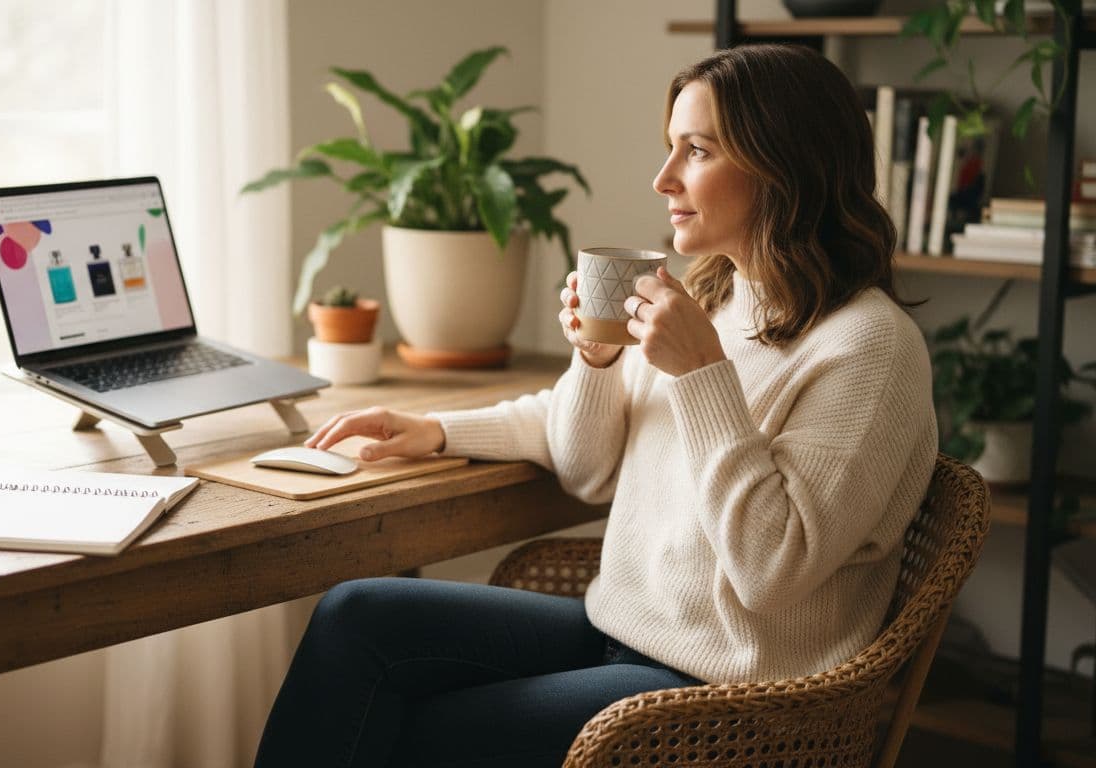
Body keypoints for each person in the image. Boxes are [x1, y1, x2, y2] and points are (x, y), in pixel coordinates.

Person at [253, 43, 937, 768]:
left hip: (733, 691)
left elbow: (770, 571)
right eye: (669, 148)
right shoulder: (716, 297)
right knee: (355, 616)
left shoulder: (869, 347)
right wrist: (566, 372)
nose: (663, 178)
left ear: (785, 166)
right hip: (624, 631)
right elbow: (587, 469)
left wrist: (703, 375)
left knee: (418, 733)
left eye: (696, 151)